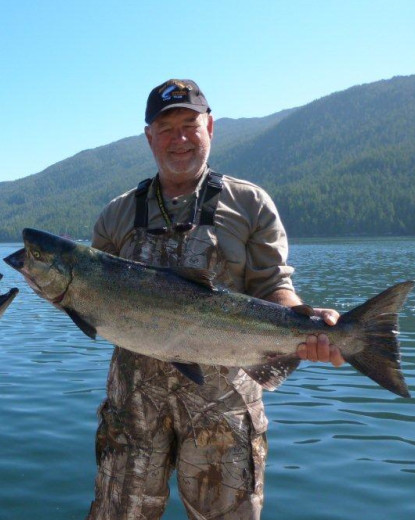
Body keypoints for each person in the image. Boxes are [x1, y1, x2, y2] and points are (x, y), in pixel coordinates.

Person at [86, 79, 344, 520]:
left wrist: (308, 321)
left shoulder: (250, 203)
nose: (179, 138)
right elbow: (91, 301)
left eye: (190, 124)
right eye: (166, 128)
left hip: (224, 407)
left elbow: (272, 287)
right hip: (132, 408)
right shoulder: (116, 215)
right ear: (149, 138)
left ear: (211, 127)